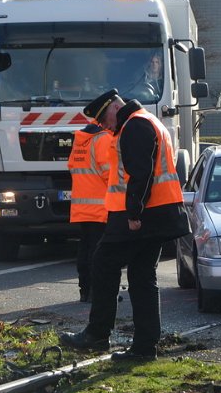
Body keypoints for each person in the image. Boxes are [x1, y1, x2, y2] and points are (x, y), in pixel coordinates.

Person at [60, 89, 191, 361]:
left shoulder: (135, 126)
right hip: (156, 213)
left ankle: (97, 335)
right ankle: (144, 348)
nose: (104, 127)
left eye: (103, 121)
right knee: (143, 277)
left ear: (112, 109)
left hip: (138, 216)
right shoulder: (147, 121)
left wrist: (134, 212)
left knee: (103, 263)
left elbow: (139, 173)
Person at [67, 123, 113, 302]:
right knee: (99, 252)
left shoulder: (80, 141)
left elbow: (72, 167)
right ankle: (97, 292)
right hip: (101, 207)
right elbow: (111, 174)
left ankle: (84, 290)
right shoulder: (103, 139)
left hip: (81, 206)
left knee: (85, 249)